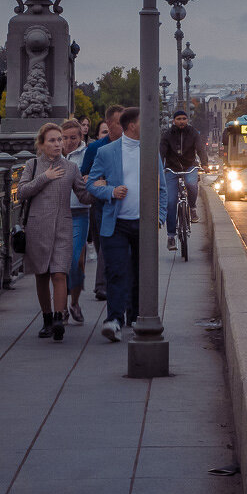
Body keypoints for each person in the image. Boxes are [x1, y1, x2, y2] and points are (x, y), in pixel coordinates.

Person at [87, 107, 167, 342]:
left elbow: (162, 188)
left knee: (140, 272)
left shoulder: (150, 151)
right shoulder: (107, 152)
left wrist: (160, 217)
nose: (150, 126)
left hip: (144, 223)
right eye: (145, 121)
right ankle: (113, 320)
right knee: (117, 271)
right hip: (116, 223)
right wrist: (111, 191)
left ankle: (134, 315)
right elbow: (91, 184)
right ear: (131, 125)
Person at [18, 123, 92, 341]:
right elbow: (21, 192)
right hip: (37, 228)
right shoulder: (32, 165)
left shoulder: (71, 168)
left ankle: (59, 318)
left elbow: (83, 195)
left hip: (62, 227)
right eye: (52, 140)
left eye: (60, 140)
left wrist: (99, 188)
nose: (58, 144)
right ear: (41, 144)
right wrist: (45, 177)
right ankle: (47, 319)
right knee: (42, 275)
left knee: (60, 273)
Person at [83, 105, 124, 301]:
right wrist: (104, 184)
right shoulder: (95, 148)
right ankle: (103, 286)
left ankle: (105, 285)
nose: (123, 127)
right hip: (101, 204)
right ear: (109, 123)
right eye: (118, 123)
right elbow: (86, 176)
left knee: (113, 244)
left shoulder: (131, 145)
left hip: (125, 204)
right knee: (103, 245)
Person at [160, 109, 209, 250]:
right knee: (170, 202)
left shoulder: (193, 133)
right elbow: (161, 152)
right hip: (171, 169)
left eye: (184, 119)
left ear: (187, 120)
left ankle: (192, 208)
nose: (181, 121)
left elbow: (200, 148)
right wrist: (158, 170)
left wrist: (204, 163)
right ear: (173, 121)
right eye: (178, 119)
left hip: (189, 166)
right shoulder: (167, 135)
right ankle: (170, 236)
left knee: (191, 184)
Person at [59, 119, 90, 325]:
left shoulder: (87, 155)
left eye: (73, 138)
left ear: (81, 137)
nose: (69, 142)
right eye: (65, 138)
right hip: (57, 213)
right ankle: (60, 309)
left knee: (76, 260)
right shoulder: (53, 155)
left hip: (79, 212)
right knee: (59, 263)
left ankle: (75, 301)